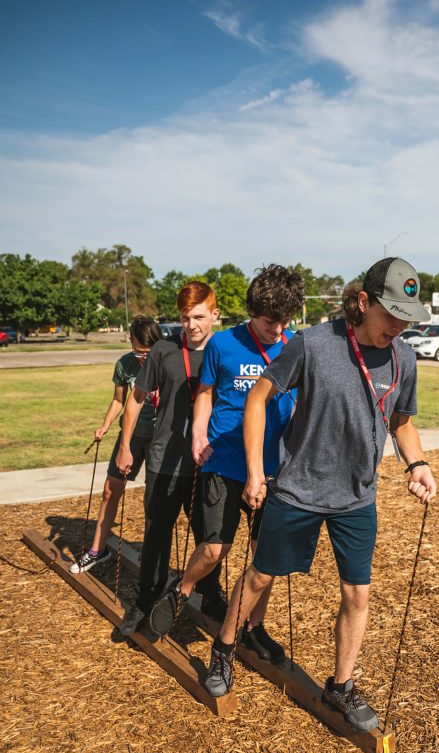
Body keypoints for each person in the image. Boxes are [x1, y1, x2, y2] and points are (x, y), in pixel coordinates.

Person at [202, 257, 437, 732]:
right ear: (363, 302)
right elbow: (257, 398)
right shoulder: (313, 344)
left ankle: (341, 686)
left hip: (357, 497)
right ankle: (224, 650)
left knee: (357, 594)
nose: (399, 326)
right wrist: (255, 471)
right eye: (391, 314)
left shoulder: (404, 359)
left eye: (407, 317)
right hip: (297, 490)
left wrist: (418, 463)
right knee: (260, 577)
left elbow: (401, 423)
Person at [147, 264, 305, 657]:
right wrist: (199, 435)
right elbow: (205, 393)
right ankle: (182, 589)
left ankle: (253, 626)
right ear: (252, 312)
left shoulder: (294, 345)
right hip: (224, 460)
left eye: (284, 321)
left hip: (274, 468)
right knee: (215, 549)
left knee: (265, 558)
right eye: (270, 322)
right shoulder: (224, 344)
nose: (277, 329)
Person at [114, 282, 224, 636]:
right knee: (156, 536)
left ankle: (210, 594)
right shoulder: (163, 349)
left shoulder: (225, 350)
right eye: (185, 317)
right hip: (165, 460)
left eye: (198, 317)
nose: (191, 325)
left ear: (215, 315)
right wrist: (126, 445)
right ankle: (146, 599)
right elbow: (136, 398)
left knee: (209, 537)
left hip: (209, 464)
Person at [70, 315, 162, 574]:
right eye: (138, 352)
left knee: (154, 499)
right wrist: (105, 425)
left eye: (148, 353)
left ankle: (152, 556)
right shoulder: (124, 364)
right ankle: (97, 550)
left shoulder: (166, 362)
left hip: (159, 439)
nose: (143, 358)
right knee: (110, 490)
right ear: (130, 342)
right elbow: (118, 400)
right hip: (131, 435)